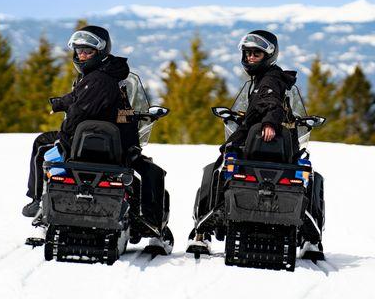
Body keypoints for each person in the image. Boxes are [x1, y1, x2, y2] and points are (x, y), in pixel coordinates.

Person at [22, 25, 166, 232]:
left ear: (101, 52)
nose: (82, 55)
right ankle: (150, 220)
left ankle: (37, 199)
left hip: (92, 142)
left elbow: (79, 111)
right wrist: (60, 103)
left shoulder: (99, 79)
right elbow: (80, 97)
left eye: (87, 51)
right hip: (113, 141)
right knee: (151, 171)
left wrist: (63, 137)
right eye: (79, 51)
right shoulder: (108, 74)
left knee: (42, 144)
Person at [187, 30, 300, 251]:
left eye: (256, 54)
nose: (250, 57)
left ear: (269, 55)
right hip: (279, 149)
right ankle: (311, 239)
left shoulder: (269, 79)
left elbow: (271, 102)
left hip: (254, 141)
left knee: (214, 170)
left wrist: (269, 123)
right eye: (248, 53)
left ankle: (202, 231)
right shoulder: (266, 78)